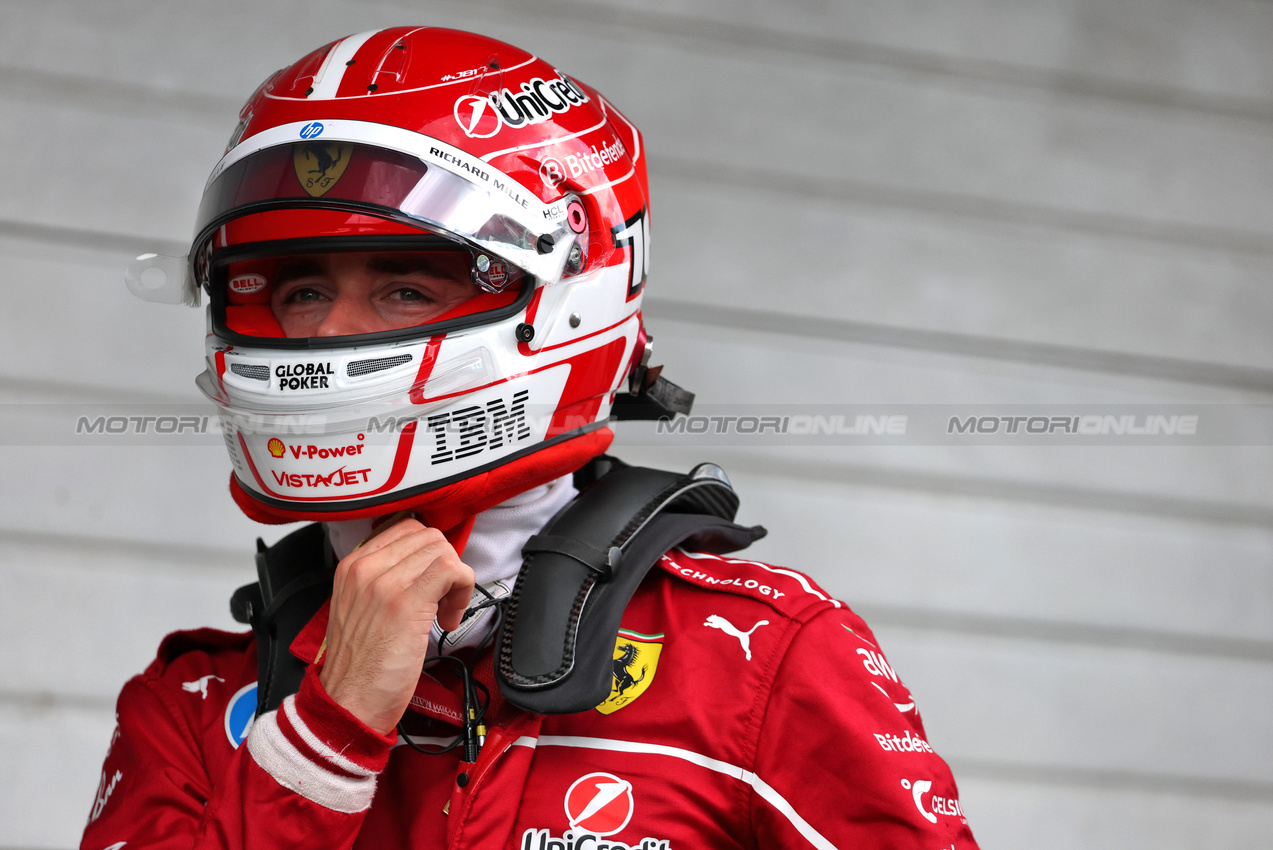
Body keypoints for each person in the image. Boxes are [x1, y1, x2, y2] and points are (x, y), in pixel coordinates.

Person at [85, 26, 979, 849]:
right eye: (301, 293)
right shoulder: (194, 707)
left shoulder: (756, 657)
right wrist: (325, 736)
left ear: (571, 301)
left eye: (404, 290)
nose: (323, 337)